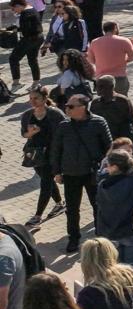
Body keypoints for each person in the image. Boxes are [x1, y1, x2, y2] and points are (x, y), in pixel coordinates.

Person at [48, 92, 112, 254]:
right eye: (66, 106)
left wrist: (107, 169)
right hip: (70, 174)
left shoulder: (98, 122)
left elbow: (109, 148)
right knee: (72, 208)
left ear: (83, 108)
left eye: (70, 106)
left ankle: (101, 238)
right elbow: (56, 150)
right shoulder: (64, 126)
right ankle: (74, 238)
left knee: (98, 205)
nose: (66, 109)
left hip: (92, 173)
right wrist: (56, 171)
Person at [20, 86, 64, 227]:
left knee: (45, 182)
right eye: (31, 98)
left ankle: (38, 216)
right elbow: (24, 134)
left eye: (36, 98)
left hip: (53, 153)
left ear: (45, 99)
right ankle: (59, 204)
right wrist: (31, 133)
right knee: (47, 180)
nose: (32, 101)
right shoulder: (27, 115)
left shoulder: (55, 114)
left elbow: (64, 132)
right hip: (36, 154)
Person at [86, 21, 133, 97]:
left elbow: (90, 60)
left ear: (104, 30)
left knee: (104, 103)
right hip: (119, 77)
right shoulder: (124, 41)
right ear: (115, 28)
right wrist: (124, 60)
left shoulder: (94, 42)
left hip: (102, 78)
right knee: (121, 101)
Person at [9, 0, 44, 86]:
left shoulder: (24, 13)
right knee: (32, 60)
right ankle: (36, 82)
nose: (14, 11)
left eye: (14, 9)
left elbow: (26, 30)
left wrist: (17, 30)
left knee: (13, 58)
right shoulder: (33, 9)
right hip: (39, 37)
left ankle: (16, 81)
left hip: (29, 39)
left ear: (18, 6)